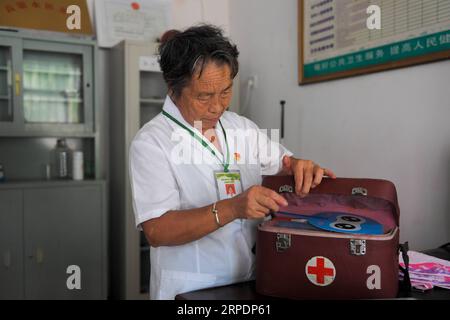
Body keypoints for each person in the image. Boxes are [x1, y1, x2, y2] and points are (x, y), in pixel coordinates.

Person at [129, 24, 336, 300]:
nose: (218, 106)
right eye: (204, 96)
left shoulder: (241, 127)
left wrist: (299, 167)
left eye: (226, 91)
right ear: (173, 88)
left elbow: (284, 165)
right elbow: (157, 230)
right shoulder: (151, 142)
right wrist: (233, 208)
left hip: (249, 282)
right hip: (192, 290)